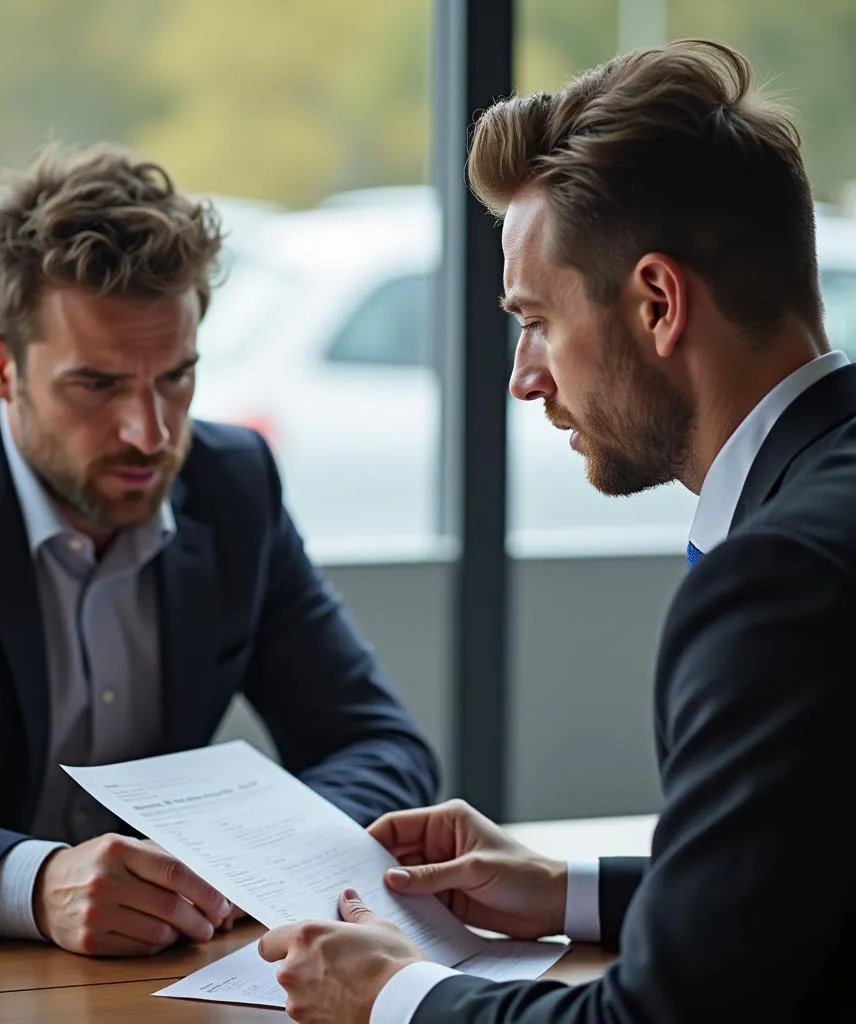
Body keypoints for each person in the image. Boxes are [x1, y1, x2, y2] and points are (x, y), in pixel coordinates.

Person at [258, 37, 856, 1022]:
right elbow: (810, 890)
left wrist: (393, 992)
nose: (523, 374)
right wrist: (566, 888)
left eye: (534, 318)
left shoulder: (777, 578)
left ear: (657, 302)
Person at [0, 143, 439, 956]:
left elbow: (380, 746)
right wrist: (34, 884)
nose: (150, 433)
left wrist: (248, 854)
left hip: (171, 971)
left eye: (175, 378)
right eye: (98, 385)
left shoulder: (233, 484)